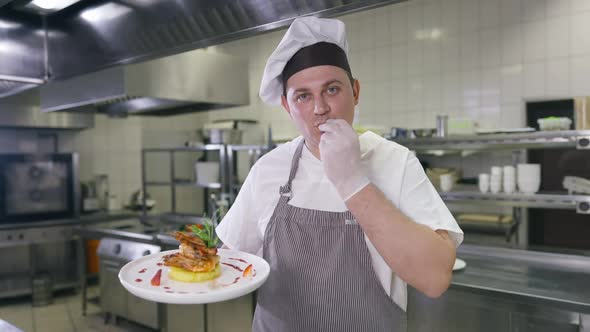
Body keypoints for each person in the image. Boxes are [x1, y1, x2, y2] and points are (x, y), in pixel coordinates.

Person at [216, 16, 463, 332]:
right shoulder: (269, 168)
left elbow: (435, 278)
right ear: (286, 106)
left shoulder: (395, 162)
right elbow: (232, 262)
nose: (319, 108)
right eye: (302, 96)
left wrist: (353, 182)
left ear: (356, 91)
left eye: (332, 89)